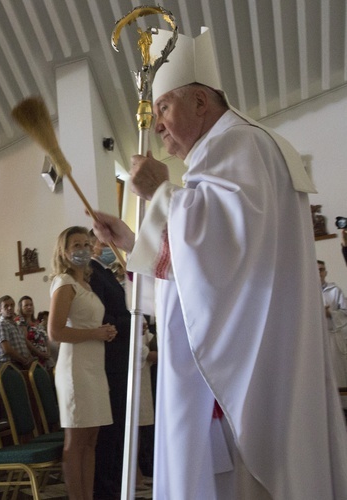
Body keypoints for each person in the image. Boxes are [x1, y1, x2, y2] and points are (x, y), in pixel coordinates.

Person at [91, 28, 347, 499]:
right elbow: (211, 253)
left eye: (164, 107)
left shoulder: (239, 145)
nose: (159, 124)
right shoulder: (223, 152)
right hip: (248, 348)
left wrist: (160, 192)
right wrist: (132, 240)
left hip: (244, 363)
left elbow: (225, 249)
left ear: (201, 104)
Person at [48, 226, 116, 500]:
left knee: (91, 441)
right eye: (76, 245)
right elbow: (55, 332)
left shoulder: (85, 284)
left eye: (87, 244)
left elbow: (87, 324)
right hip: (75, 368)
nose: (83, 250)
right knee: (76, 442)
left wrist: (104, 331)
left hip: (93, 366)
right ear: (64, 252)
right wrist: (94, 333)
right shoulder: (64, 282)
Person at [88, 235, 133, 500]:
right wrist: (132, 321)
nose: (107, 249)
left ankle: (115, 482)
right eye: (103, 244)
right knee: (110, 427)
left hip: (119, 355)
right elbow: (103, 316)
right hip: (109, 356)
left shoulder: (106, 272)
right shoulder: (93, 273)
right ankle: (106, 488)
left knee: (118, 426)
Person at [319, 260, 347, 386]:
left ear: (326, 272)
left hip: (333, 337)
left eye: (321, 269)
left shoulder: (335, 290)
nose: (319, 272)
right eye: (316, 269)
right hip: (315, 338)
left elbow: (345, 311)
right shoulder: (305, 292)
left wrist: (330, 314)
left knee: (337, 373)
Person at [0, 295, 35, 370]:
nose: (10, 308)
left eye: (12, 305)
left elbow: (23, 344)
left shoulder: (16, 325)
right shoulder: (1, 324)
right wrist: (24, 361)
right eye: (6, 306)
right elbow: (7, 350)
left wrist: (29, 359)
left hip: (20, 363)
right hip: (9, 365)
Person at [14, 296, 52, 368]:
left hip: (45, 356)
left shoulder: (36, 322)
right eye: (26, 305)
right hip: (33, 357)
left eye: (31, 305)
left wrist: (48, 352)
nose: (29, 307)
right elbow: (25, 340)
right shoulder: (20, 321)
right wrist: (39, 353)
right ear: (21, 308)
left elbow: (46, 338)